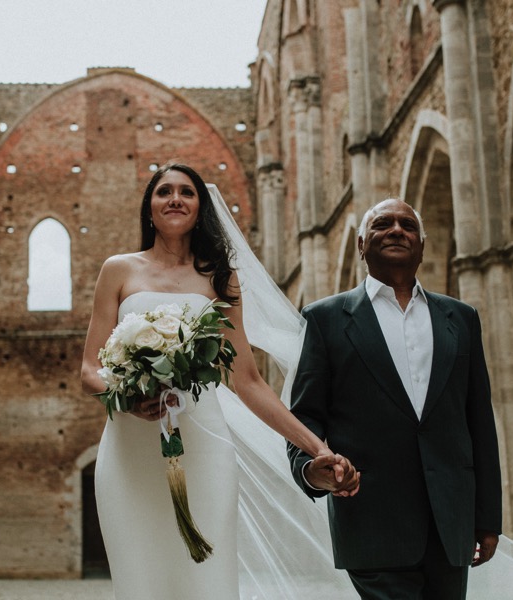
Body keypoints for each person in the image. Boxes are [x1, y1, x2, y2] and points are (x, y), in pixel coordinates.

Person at [80, 163, 360, 600]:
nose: (175, 198)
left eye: (187, 192)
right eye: (164, 191)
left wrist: (318, 448)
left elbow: (247, 381)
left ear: (200, 207)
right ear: (149, 208)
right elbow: (88, 371)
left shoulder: (220, 278)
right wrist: (129, 397)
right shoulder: (117, 270)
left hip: (203, 443)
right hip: (129, 445)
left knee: (206, 576)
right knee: (139, 578)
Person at [287, 198, 502, 599]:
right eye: (383, 223)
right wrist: (311, 469)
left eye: (407, 225)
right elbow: (305, 416)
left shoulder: (461, 318)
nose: (397, 230)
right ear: (361, 244)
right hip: (370, 521)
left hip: (449, 524)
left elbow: (477, 421)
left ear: (422, 244)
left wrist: (487, 518)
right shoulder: (325, 319)